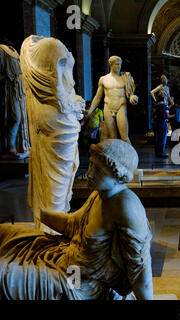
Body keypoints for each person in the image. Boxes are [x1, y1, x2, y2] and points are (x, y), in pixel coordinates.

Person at [0, 139, 153, 300]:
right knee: (6, 232)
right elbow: (72, 225)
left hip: (80, 283)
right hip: (65, 256)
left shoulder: (127, 207)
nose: (90, 173)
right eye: (91, 165)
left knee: (4, 276)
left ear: (118, 176)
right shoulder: (99, 194)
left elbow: (140, 271)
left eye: (99, 170)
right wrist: (43, 213)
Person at [20, 35, 86, 231]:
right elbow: (59, 91)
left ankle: (50, 228)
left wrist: (74, 102)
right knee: (57, 184)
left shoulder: (40, 52)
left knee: (56, 181)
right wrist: (72, 104)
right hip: (58, 117)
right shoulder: (54, 47)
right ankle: (51, 233)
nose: (72, 80)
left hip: (54, 116)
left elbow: (62, 87)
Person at [84, 56, 138, 144]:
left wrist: (133, 98)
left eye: (120, 65)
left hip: (121, 106)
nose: (119, 67)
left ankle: (131, 157)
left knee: (124, 136)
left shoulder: (124, 77)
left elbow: (131, 94)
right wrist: (90, 111)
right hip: (108, 107)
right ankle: (114, 157)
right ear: (111, 64)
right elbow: (98, 97)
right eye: (117, 64)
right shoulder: (103, 79)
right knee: (112, 137)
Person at [0, 43, 30, 159]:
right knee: (15, 117)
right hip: (10, 89)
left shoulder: (15, 52)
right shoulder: (2, 50)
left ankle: (20, 145)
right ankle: (9, 146)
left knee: (22, 118)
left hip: (20, 90)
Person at [151, 92, 174, 158]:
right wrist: (173, 116)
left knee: (157, 138)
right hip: (163, 123)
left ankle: (157, 152)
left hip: (156, 123)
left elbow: (152, 115)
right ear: (163, 99)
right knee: (162, 139)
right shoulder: (165, 106)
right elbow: (167, 115)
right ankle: (161, 153)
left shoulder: (155, 106)